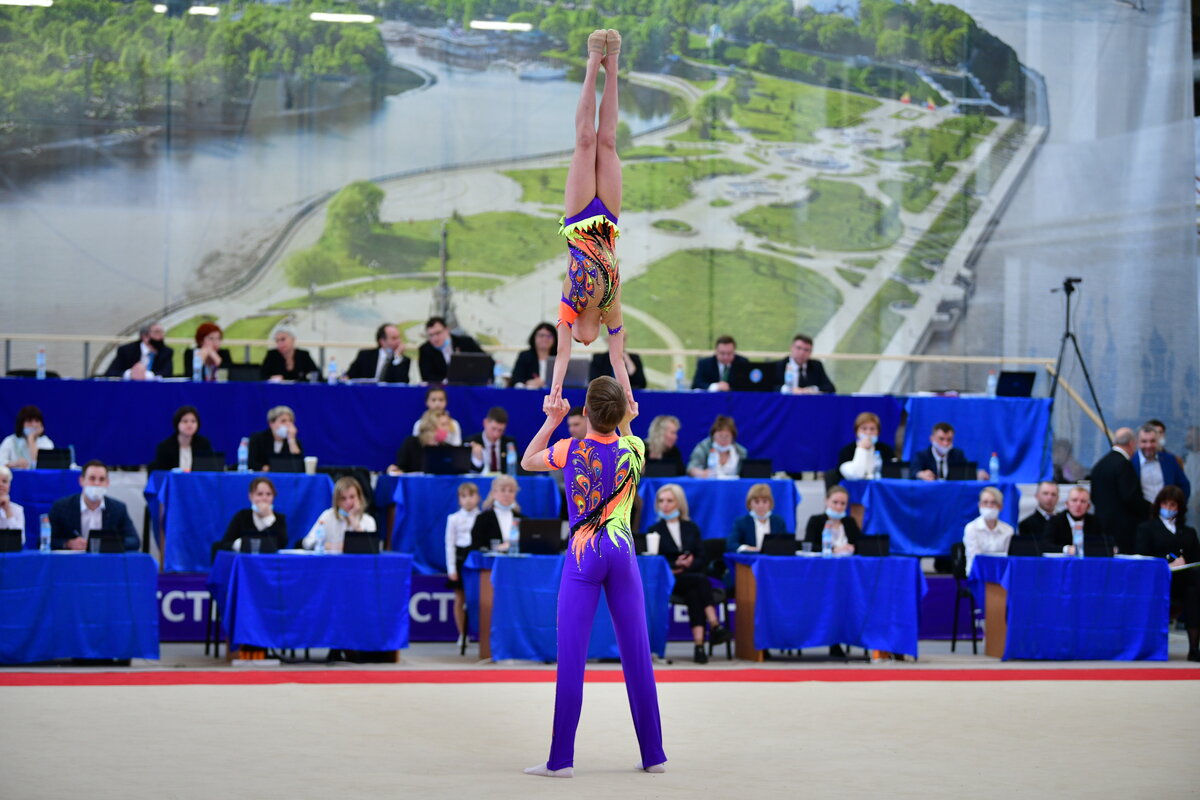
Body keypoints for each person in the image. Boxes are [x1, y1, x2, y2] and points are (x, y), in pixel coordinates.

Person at [519, 368, 666, 777]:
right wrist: (628, 419)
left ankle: (560, 760)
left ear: (584, 412)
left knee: (572, 659)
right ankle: (653, 754)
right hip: (622, 553)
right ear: (621, 415)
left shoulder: (570, 448)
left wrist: (551, 419)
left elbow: (528, 460)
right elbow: (626, 432)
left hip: (585, 556)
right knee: (638, 656)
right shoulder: (635, 448)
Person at [545, 30, 635, 416]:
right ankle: (611, 66)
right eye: (589, 342)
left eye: (579, 340)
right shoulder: (611, 310)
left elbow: (561, 356)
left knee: (585, 140)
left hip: (581, 216)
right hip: (609, 219)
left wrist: (555, 393)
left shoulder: (570, 303)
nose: (585, 342)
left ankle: (589, 65)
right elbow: (618, 361)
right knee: (609, 142)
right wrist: (628, 400)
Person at [645, 483, 729, 663]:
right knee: (701, 582)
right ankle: (714, 625)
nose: (665, 505)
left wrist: (688, 565)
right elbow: (654, 560)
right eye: (661, 501)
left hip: (691, 576)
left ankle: (699, 647)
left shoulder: (691, 527)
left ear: (679, 503)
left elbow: (702, 556)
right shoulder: (654, 530)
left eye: (669, 500)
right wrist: (675, 564)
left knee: (694, 593)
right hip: (671, 579)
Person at [1134, 485, 1200, 661]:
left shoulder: (1189, 532)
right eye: (1165, 504)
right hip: (1157, 582)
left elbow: (1196, 560)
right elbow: (1142, 555)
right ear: (1158, 505)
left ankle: (1194, 647)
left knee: (1194, 590)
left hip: (1183, 582)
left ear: (1179, 508)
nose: (1169, 509)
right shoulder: (1146, 528)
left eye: (1173, 505)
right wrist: (1166, 563)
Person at [48, 460, 138, 551]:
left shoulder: (118, 509)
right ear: (81, 481)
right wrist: (68, 543)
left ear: (107, 483)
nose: (97, 483)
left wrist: (106, 543)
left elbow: (134, 541)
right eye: (92, 478)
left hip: (105, 562)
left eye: (101, 479)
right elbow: (45, 541)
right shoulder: (61, 507)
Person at [1089, 427, 1146, 553]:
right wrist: (1150, 510)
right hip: (1123, 530)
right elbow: (1130, 497)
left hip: (1101, 528)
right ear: (1132, 443)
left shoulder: (1100, 465)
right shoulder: (1123, 465)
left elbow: (1093, 496)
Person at [444, 481, 482, 645]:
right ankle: (462, 634)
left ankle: (481, 634)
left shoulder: (482, 517)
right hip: (460, 558)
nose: (468, 500)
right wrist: (451, 568)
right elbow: (449, 544)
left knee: (479, 598)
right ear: (459, 499)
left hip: (475, 557)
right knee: (460, 597)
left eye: (471, 495)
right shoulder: (453, 519)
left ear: (478, 498)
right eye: (463, 496)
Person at [213, 477, 288, 556]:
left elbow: (282, 544)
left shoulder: (279, 518)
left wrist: (268, 518)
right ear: (251, 496)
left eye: (268, 494)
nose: (264, 498)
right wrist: (238, 545)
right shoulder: (242, 516)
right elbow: (225, 543)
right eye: (259, 494)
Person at [301, 476, 376, 553]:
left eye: (352, 497)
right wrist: (334, 546)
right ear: (337, 501)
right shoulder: (327, 516)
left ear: (359, 497)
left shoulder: (368, 521)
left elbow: (370, 548)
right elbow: (307, 543)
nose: (348, 502)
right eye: (343, 498)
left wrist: (354, 522)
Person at [832, 411, 897, 487]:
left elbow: (893, 473)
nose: (868, 432)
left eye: (872, 429)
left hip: (880, 489)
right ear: (856, 431)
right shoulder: (847, 451)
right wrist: (861, 449)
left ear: (878, 432)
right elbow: (856, 475)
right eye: (864, 429)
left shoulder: (886, 449)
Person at [1132, 424, 1190, 504]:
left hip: (1167, 513)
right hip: (1141, 514)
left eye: (1152, 441)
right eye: (1144, 441)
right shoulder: (1130, 463)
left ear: (1158, 441)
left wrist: (1177, 508)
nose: (1148, 445)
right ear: (1137, 442)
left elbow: (1184, 486)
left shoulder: (1169, 460)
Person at [911, 422, 988, 481]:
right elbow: (913, 472)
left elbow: (967, 471)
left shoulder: (958, 454)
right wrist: (920, 474)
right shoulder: (922, 456)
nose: (945, 443)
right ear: (932, 439)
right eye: (941, 439)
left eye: (949, 439)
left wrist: (976, 474)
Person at [962, 487, 1014, 572]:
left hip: (1001, 574)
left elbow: (1008, 558)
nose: (989, 506)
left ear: (1000, 506)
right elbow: (975, 558)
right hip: (977, 575)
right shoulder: (971, 528)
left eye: (993, 503)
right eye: (985, 502)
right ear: (979, 505)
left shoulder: (1008, 530)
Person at [418, 316, 484, 384]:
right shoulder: (425, 350)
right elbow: (426, 376)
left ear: (447, 330)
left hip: (469, 386)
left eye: (438, 333)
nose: (435, 339)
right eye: (431, 335)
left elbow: (485, 361)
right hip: (442, 390)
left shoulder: (466, 342)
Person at [390, 409, 457, 474]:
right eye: (443, 424)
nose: (447, 429)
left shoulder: (448, 448)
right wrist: (393, 470)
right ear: (430, 426)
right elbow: (399, 469)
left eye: (448, 424)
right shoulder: (411, 443)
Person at [151, 405, 215, 473]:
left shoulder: (204, 444)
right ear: (177, 423)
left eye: (193, 421)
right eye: (185, 421)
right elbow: (161, 474)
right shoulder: (165, 447)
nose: (189, 425)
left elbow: (209, 471)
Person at [728, 483, 788, 552]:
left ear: (770, 503)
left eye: (765, 501)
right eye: (757, 502)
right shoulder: (741, 522)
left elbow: (785, 544)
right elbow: (731, 545)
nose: (761, 506)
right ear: (749, 504)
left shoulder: (778, 522)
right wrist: (747, 548)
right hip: (751, 561)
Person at [1045, 486, 1107, 553]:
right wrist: (1067, 549)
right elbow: (1045, 545)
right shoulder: (1055, 521)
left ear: (1088, 506)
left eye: (1083, 501)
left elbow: (1104, 545)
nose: (1078, 504)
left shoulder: (1096, 522)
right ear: (1067, 504)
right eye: (1074, 500)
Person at [469, 474, 522, 551]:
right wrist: (495, 548)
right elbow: (476, 546)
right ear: (494, 493)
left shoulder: (521, 519)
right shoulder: (482, 519)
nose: (507, 494)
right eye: (503, 490)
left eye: (511, 491)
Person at [804, 485, 862, 554]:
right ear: (826, 501)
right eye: (835, 502)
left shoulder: (850, 522)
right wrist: (833, 550)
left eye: (843, 503)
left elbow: (860, 545)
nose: (839, 507)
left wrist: (852, 548)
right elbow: (809, 545)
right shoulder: (816, 521)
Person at [105, 322, 173, 380]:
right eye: (157, 332)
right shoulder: (126, 350)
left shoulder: (166, 352)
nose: (161, 335)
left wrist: (146, 375)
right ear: (145, 336)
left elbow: (167, 374)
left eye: (162, 332)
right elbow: (110, 373)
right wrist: (131, 373)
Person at [346, 323, 411, 383]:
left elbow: (402, 383)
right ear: (382, 341)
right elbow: (349, 376)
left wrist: (397, 357)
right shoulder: (365, 356)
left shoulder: (403, 360)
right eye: (394, 338)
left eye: (399, 338)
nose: (399, 341)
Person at [247, 406, 304, 471]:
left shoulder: (294, 442)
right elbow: (251, 463)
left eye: (290, 421)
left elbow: (298, 465)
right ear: (271, 423)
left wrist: (291, 440)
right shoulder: (257, 438)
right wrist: (269, 469)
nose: (288, 424)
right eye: (283, 421)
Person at [0, 406, 54, 470]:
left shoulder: (46, 442)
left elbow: (43, 465)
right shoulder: (10, 441)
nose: (34, 425)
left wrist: (31, 439)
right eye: (29, 421)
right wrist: (14, 464)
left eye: (37, 421)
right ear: (21, 424)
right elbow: (1, 462)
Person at [466, 406, 517, 474]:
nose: (496, 434)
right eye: (493, 429)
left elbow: (514, 469)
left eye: (500, 430)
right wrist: (477, 459)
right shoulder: (472, 441)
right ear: (485, 423)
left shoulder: (509, 443)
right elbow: (468, 471)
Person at [511, 322, 557, 389]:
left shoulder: (558, 359)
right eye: (541, 335)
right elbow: (516, 379)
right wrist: (528, 382)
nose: (545, 339)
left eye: (549, 336)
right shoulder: (525, 356)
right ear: (534, 337)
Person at [0, 465, 25, 533]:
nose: (1, 484)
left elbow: (20, 540)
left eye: (4, 481)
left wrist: (8, 511)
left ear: (9, 486)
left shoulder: (18, 509)